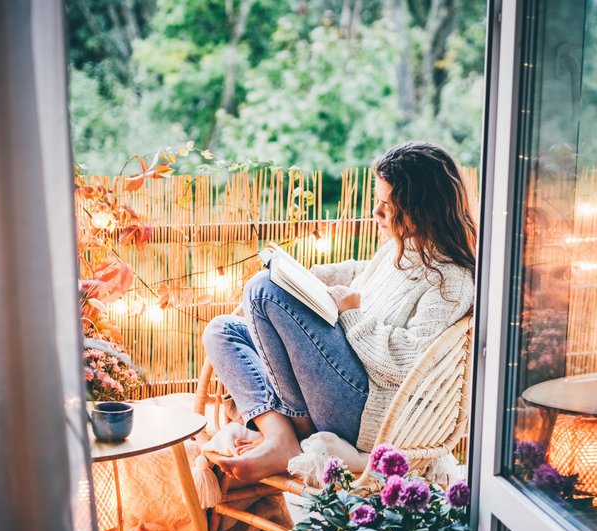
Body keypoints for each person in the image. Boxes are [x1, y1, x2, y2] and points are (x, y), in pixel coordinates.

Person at [202, 141, 477, 482]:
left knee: (262, 289)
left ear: (423, 210)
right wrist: (307, 277)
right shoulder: (401, 248)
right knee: (223, 330)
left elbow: (410, 362)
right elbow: (360, 275)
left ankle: (285, 430)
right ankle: (280, 436)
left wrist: (351, 314)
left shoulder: (451, 280)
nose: (377, 213)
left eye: (387, 206)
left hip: (368, 410)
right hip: (340, 383)